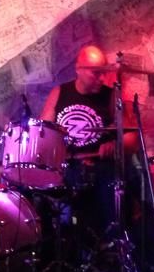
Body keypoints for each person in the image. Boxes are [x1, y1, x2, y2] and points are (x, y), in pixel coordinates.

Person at [40, 45, 139, 236]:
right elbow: (44, 133)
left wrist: (115, 145)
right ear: (79, 69)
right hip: (67, 167)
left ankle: (110, 243)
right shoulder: (60, 92)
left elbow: (132, 139)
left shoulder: (111, 96)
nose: (102, 78)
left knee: (110, 190)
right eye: (96, 73)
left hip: (102, 167)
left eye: (104, 72)